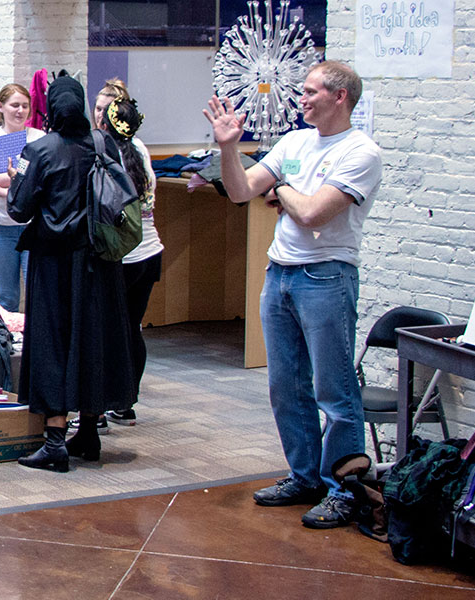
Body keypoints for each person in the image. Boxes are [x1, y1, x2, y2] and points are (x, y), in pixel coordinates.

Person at [205, 60, 382, 529]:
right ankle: (305, 476)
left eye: (309, 92)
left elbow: (312, 214)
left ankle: (344, 487)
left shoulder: (361, 152)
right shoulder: (295, 141)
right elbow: (242, 191)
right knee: (286, 385)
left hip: (326, 275)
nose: (300, 99)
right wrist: (230, 148)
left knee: (334, 389)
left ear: (339, 96)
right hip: (280, 273)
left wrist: (282, 189)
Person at [8, 75, 136, 473]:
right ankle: (90, 433)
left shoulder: (39, 150)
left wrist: (16, 180)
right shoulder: (100, 143)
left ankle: (54, 441)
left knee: (54, 344)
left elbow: (19, 209)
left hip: (53, 265)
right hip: (99, 263)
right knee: (92, 341)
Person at [93, 80, 161, 431]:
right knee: (132, 329)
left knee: (106, 331)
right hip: (150, 252)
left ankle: (101, 407)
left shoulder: (103, 151)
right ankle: (126, 402)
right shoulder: (141, 150)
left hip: (120, 256)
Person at [0, 83, 48, 311]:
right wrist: (21, 178)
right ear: (1, 107)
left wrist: (3, 188)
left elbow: (41, 181)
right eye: (15, 105)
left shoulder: (39, 137)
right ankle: (11, 344)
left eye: (25, 106)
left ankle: (34, 345)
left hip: (32, 226)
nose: (20, 111)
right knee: (7, 298)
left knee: (36, 295)